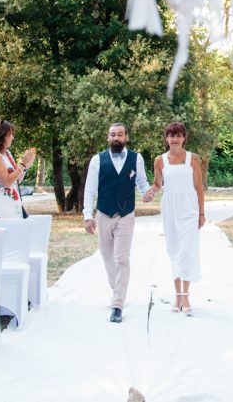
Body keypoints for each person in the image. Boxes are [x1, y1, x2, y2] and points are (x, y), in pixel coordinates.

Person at [83, 122, 154, 323]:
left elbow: (142, 182)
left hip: (126, 215)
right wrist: (87, 216)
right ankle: (118, 289)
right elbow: (89, 190)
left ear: (126, 137)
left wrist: (146, 194)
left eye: (120, 134)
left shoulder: (136, 158)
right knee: (107, 258)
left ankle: (117, 305)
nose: (116, 138)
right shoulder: (97, 160)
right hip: (104, 214)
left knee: (121, 258)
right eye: (113, 134)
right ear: (108, 138)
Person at [151, 122, 204, 315]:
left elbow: (199, 188)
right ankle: (177, 296)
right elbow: (157, 184)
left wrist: (201, 213)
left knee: (187, 250)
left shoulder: (193, 159)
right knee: (174, 250)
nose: (175, 139)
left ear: (184, 138)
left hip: (189, 208)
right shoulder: (160, 160)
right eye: (171, 135)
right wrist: (151, 192)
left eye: (178, 135)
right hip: (170, 208)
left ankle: (186, 296)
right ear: (166, 138)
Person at [0, 119, 36, 219]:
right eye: (10, 134)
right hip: (0, 203)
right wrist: (22, 164)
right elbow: (7, 182)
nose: (13, 138)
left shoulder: (7, 154)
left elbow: (17, 180)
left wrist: (26, 165)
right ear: (2, 136)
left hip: (12, 202)